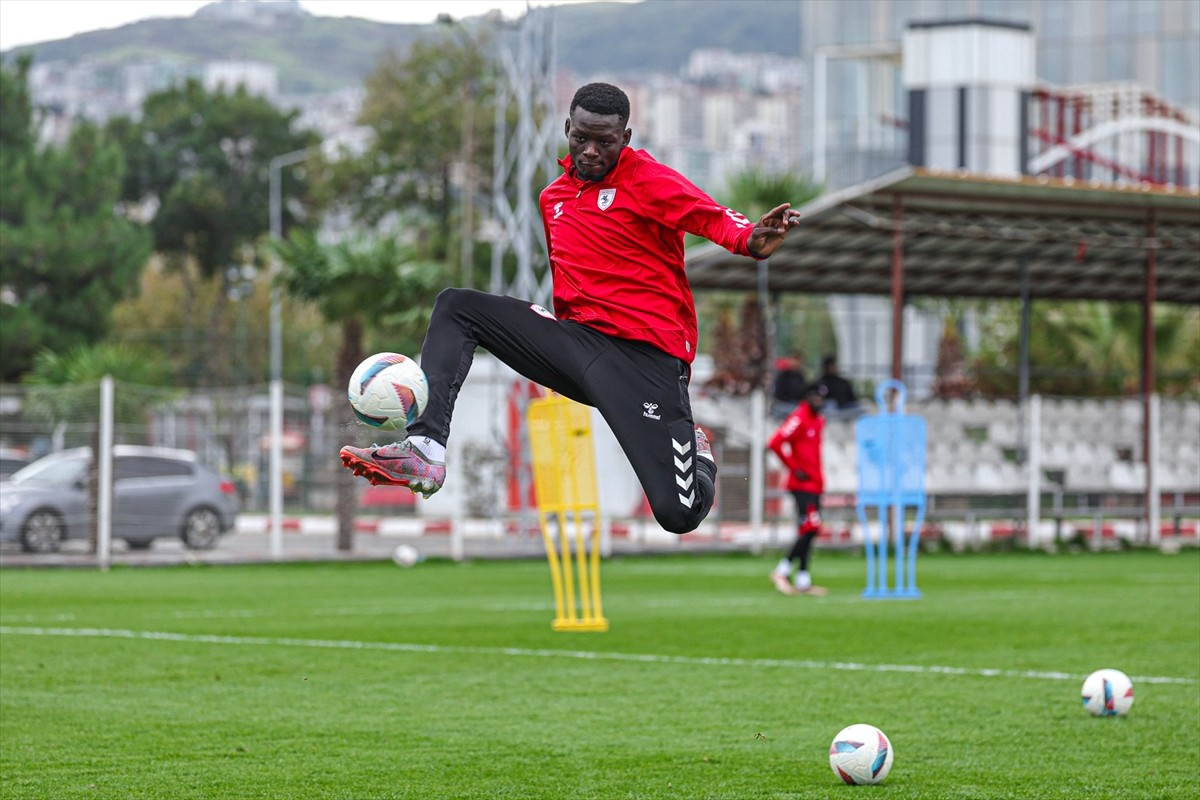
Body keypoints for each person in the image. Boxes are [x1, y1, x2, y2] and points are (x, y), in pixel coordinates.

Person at [340, 82, 803, 535]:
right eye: (581, 138)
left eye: (605, 142)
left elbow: (708, 214)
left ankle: (696, 453)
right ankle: (425, 447)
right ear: (567, 128)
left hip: (645, 364)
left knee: (677, 515)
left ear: (626, 138)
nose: (591, 152)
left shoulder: (648, 179)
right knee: (457, 306)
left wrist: (750, 239)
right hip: (578, 346)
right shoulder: (553, 199)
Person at [766, 382, 827, 595]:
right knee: (812, 527)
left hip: (815, 484)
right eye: (816, 398)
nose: (819, 402)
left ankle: (802, 580)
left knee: (808, 529)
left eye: (822, 399)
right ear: (807, 398)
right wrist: (794, 467)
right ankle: (782, 570)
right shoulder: (798, 417)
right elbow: (774, 442)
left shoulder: (819, 420)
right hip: (802, 484)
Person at [770, 355, 807, 419]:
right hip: (784, 404)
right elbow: (778, 393)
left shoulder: (800, 377)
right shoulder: (783, 376)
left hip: (796, 404)